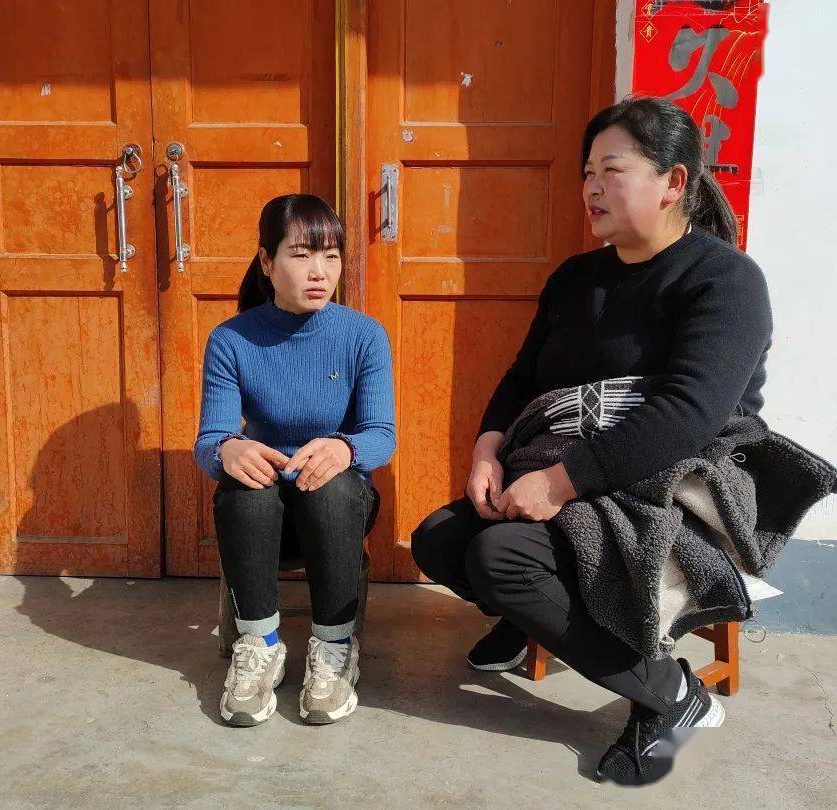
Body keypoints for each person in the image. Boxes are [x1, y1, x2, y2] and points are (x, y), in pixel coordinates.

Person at [411, 96, 773, 785]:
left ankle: (670, 694)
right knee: (438, 540)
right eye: (586, 173)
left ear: (673, 183)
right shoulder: (575, 279)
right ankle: (537, 622)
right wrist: (488, 451)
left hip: (671, 489)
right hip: (575, 474)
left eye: (611, 170)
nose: (590, 188)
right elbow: (521, 379)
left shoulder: (722, 280)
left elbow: (687, 414)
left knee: (503, 560)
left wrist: (555, 484)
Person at [194, 194, 395, 726]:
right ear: (267, 262)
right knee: (245, 491)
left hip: (339, 510)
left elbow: (382, 434)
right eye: (302, 255)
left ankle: (332, 648)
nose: (319, 272)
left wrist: (346, 447)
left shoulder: (364, 336)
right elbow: (209, 439)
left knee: (329, 487)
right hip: (264, 520)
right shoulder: (231, 340)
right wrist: (227, 449)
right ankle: (259, 646)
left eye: (331, 257)